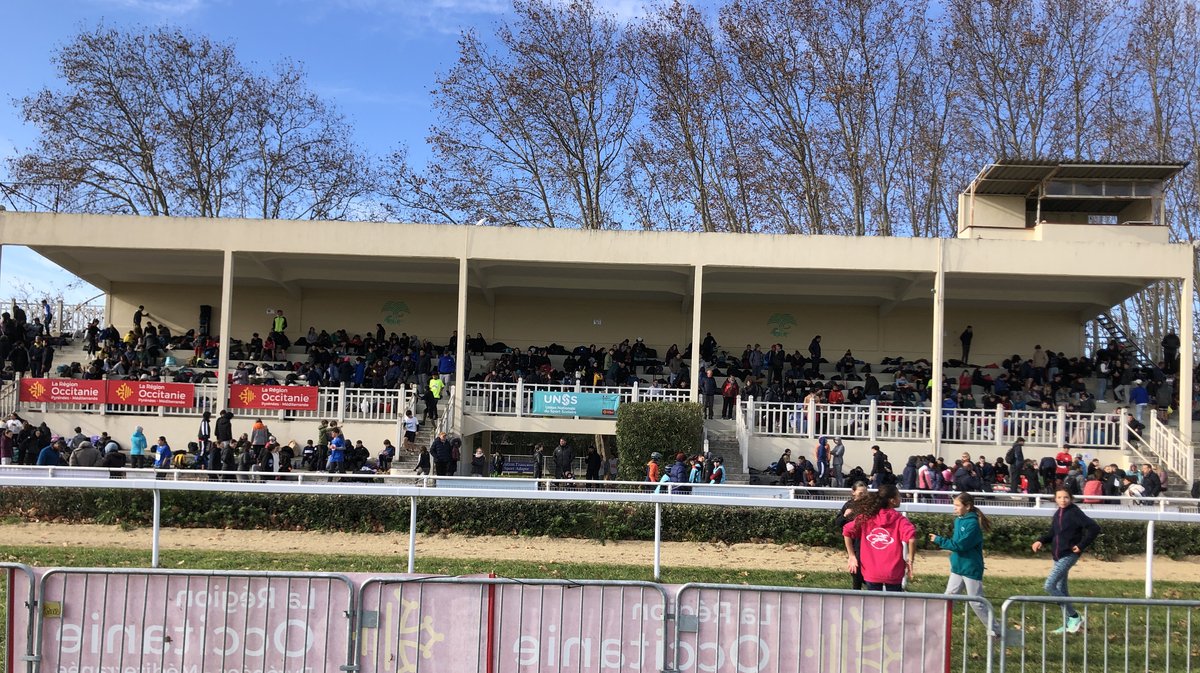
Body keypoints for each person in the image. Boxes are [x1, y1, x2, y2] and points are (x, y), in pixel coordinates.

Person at [929, 493, 1006, 639]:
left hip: (970, 568)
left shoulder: (972, 524)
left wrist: (939, 540)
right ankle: (936, 629)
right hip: (958, 567)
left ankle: (998, 632)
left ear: (968, 506)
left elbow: (961, 545)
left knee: (976, 602)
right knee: (948, 599)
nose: (955, 508)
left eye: (958, 505)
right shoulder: (959, 520)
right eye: (955, 505)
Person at [1032, 488, 1100, 634]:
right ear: (1055, 499)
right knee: (1062, 590)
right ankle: (1069, 624)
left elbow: (1094, 528)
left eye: (1066, 497)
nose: (1063, 500)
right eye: (1060, 497)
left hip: (1068, 555)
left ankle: (1074, 616)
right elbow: (1053, 533)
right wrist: (1040, 541)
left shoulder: (1074, 512)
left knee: (1049, 585)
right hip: (1057, 555)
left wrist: (1081, 545)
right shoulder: (1058, 513)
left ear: (1071, 498)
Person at [843, 484, 915, 591]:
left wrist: (851, 555)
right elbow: (911, 539)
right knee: (894, 605)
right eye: (898, 496)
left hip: (871, 571)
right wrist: (910, 560)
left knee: (874, 605)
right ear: (892, 500)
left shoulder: (866, 517)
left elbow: (846, 531)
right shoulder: (899, 520)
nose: (900, 498)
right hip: (893, 571)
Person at [834, 481, 870, 590]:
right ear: (853, 492)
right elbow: (838, 523)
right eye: (860, 493)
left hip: (868, 541)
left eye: (865, 493)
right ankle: (857, 591)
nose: (863, 495)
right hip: (854, 543)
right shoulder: (848, 505)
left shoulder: (870, 505)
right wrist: (845, 515)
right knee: (855, 570)